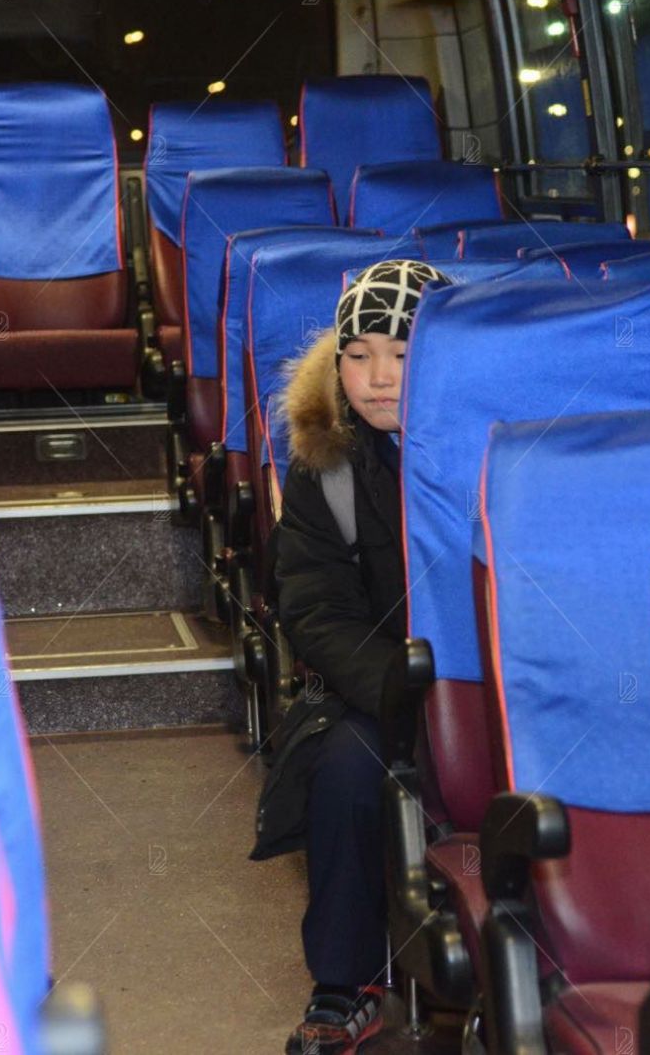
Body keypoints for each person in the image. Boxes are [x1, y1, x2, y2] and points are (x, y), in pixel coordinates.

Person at [251, 260, 451, 1055]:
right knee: (346, 769)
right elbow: (316, 609)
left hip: (508, 688)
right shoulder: (326, 464)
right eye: (359, 355)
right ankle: (346, 983)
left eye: (402, 354)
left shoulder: (499, 450)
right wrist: (400, 691)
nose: (380, 377)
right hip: (387, 684)